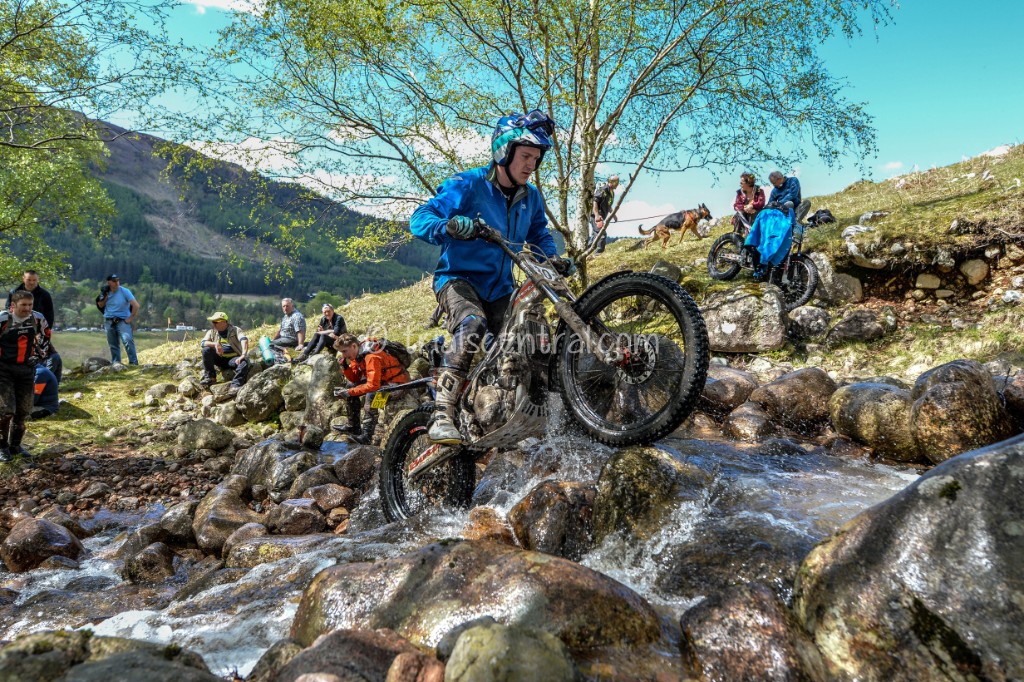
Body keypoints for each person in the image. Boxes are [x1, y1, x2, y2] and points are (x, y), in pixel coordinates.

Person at [409, 109, 570, 447]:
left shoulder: (531, 197)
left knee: (532, 339)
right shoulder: (467, 184)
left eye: (536, 159)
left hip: (500, 290)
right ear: (503, 151)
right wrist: (448, 226)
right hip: (457, 281)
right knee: (472, 323)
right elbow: (420, 218)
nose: (531, 165)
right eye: (525, 156)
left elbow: (540, 235)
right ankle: (442, 413)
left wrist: (552, 258)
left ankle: (531, 416)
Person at [331, 333, 411, 444]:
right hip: (382, 381)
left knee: (372, 395)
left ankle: (367, 436)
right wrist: (345, 367)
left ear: (354, 346)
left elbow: (373, 386)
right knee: (350, 387)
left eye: (344, 351)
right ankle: (353, 426)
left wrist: (349, 392)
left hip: (398, 384)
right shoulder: (357, 355)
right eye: (341, 352)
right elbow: (355, 379)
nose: (343, 355)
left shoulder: (371, 356)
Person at [0, 291, 47, 461]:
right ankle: (2, 447)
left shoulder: (37, 318)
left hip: (26, 369)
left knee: (23, 410)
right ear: (13, 306)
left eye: (30, 305)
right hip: (3, 369)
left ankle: (15, 446)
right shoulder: (3, 319)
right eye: (23, 305)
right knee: (6, 411)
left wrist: (39, 355)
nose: (27, 308)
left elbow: (46, 336)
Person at [199, 311, 251, 394]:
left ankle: (235, 385)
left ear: (224, 322)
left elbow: (244, 339)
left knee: (243, 363)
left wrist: (243, 354)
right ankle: (210, 377)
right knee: (206, 350)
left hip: (234, 359)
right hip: (219, 358)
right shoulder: (211, 332)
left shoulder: (235, 330)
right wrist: (215, 344)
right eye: (213, 322)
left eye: (215, 322)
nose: (213, 324)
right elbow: (203, 343)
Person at [95, 274, 140, 365]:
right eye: (114, 281)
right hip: (109, 320)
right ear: (109, 282)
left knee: (128, 340)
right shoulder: (105, 292)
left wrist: (130, 318)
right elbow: (100, 305)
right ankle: (116, 363)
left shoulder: (125, 291)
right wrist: (105, 295)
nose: (116, 283)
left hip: (122, 320)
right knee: (113, 344)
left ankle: (133, 362)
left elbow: (136, 305)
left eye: (117, 280)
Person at [589, 174, 619, 253]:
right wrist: (596, 215)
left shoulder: (612, 193)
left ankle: (583, 254)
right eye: (616, 182)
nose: (617, 184)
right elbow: (595, 201)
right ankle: (598, 254)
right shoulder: (603, 189)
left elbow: (609, 206)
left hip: (602, 217)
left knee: (593, 238)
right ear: (611, 182)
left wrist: (614, 215)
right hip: (596, 217)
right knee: (602, 235)